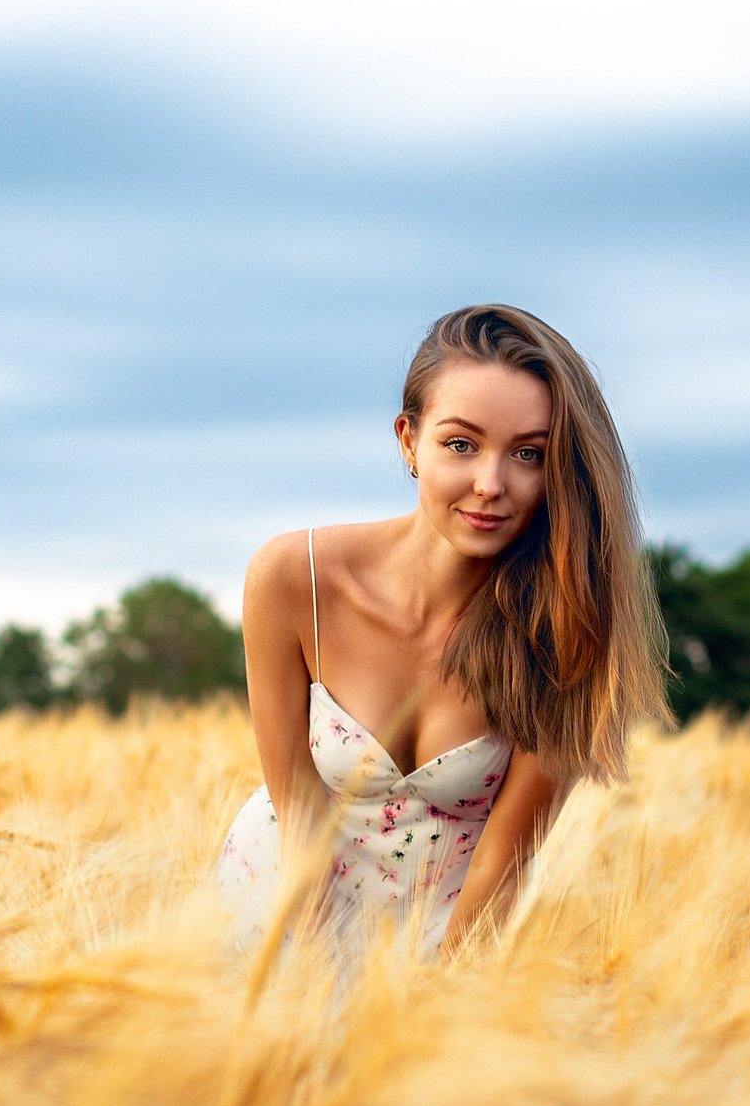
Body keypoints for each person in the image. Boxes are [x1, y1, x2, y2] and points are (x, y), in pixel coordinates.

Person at [217, 304, 669, 963]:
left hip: (438, 942)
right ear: (408, 440)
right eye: (462, 444)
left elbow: (504, 863)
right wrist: (309, 979)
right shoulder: (295, 580)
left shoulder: (566, 634)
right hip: (276, 907)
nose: (492, 484)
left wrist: (433, 1009)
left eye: (528, 454)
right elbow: (297, 800)